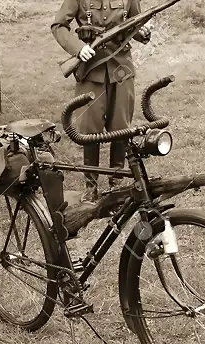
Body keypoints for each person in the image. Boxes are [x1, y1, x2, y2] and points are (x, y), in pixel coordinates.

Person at [52, 0, 152, 201]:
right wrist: (78, 48)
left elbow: (135, 24)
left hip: (121, 69)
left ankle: (116, 183)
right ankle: (91, 186)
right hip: (91, 70)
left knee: (121, 126)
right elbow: (59, 25)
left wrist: (145, 30)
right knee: (90, 128)